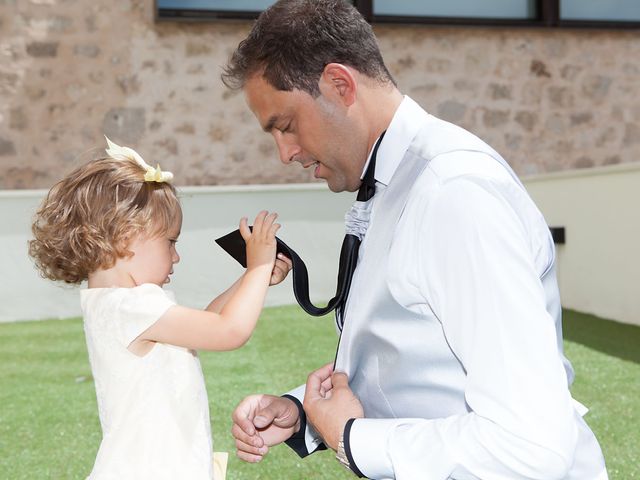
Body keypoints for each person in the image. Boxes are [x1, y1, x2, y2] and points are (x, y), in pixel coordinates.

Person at [222, 1, 608, 479]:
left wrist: (351, 438)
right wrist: (304, 413)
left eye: (285, 125)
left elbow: (530, 444)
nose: (285, 153)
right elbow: (409, 354)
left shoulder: (452, 193)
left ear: (339, 85)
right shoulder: (395, 182)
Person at [28, 138, 292, 479]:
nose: (176, 256)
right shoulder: (130, 305)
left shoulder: (118, 304)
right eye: (171, 241)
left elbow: (210, 321)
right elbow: (230, 330)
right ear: (126, 237)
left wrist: (250, 280)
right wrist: (258, 266)